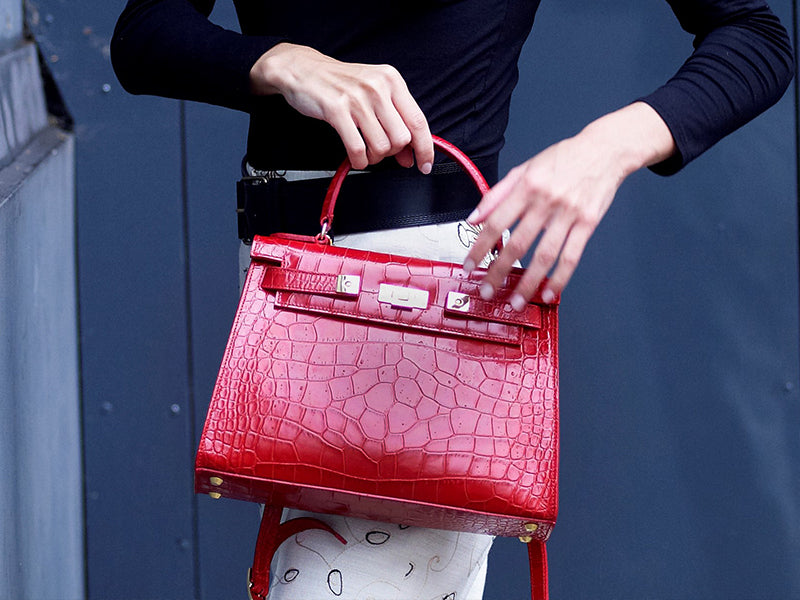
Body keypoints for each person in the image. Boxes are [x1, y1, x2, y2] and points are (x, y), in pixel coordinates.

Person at [110, 1, 794, 598]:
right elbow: (145, 34)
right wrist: (283, 62)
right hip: (286, 278)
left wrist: (601, 150)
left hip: (425, 297)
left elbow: (755, 36)